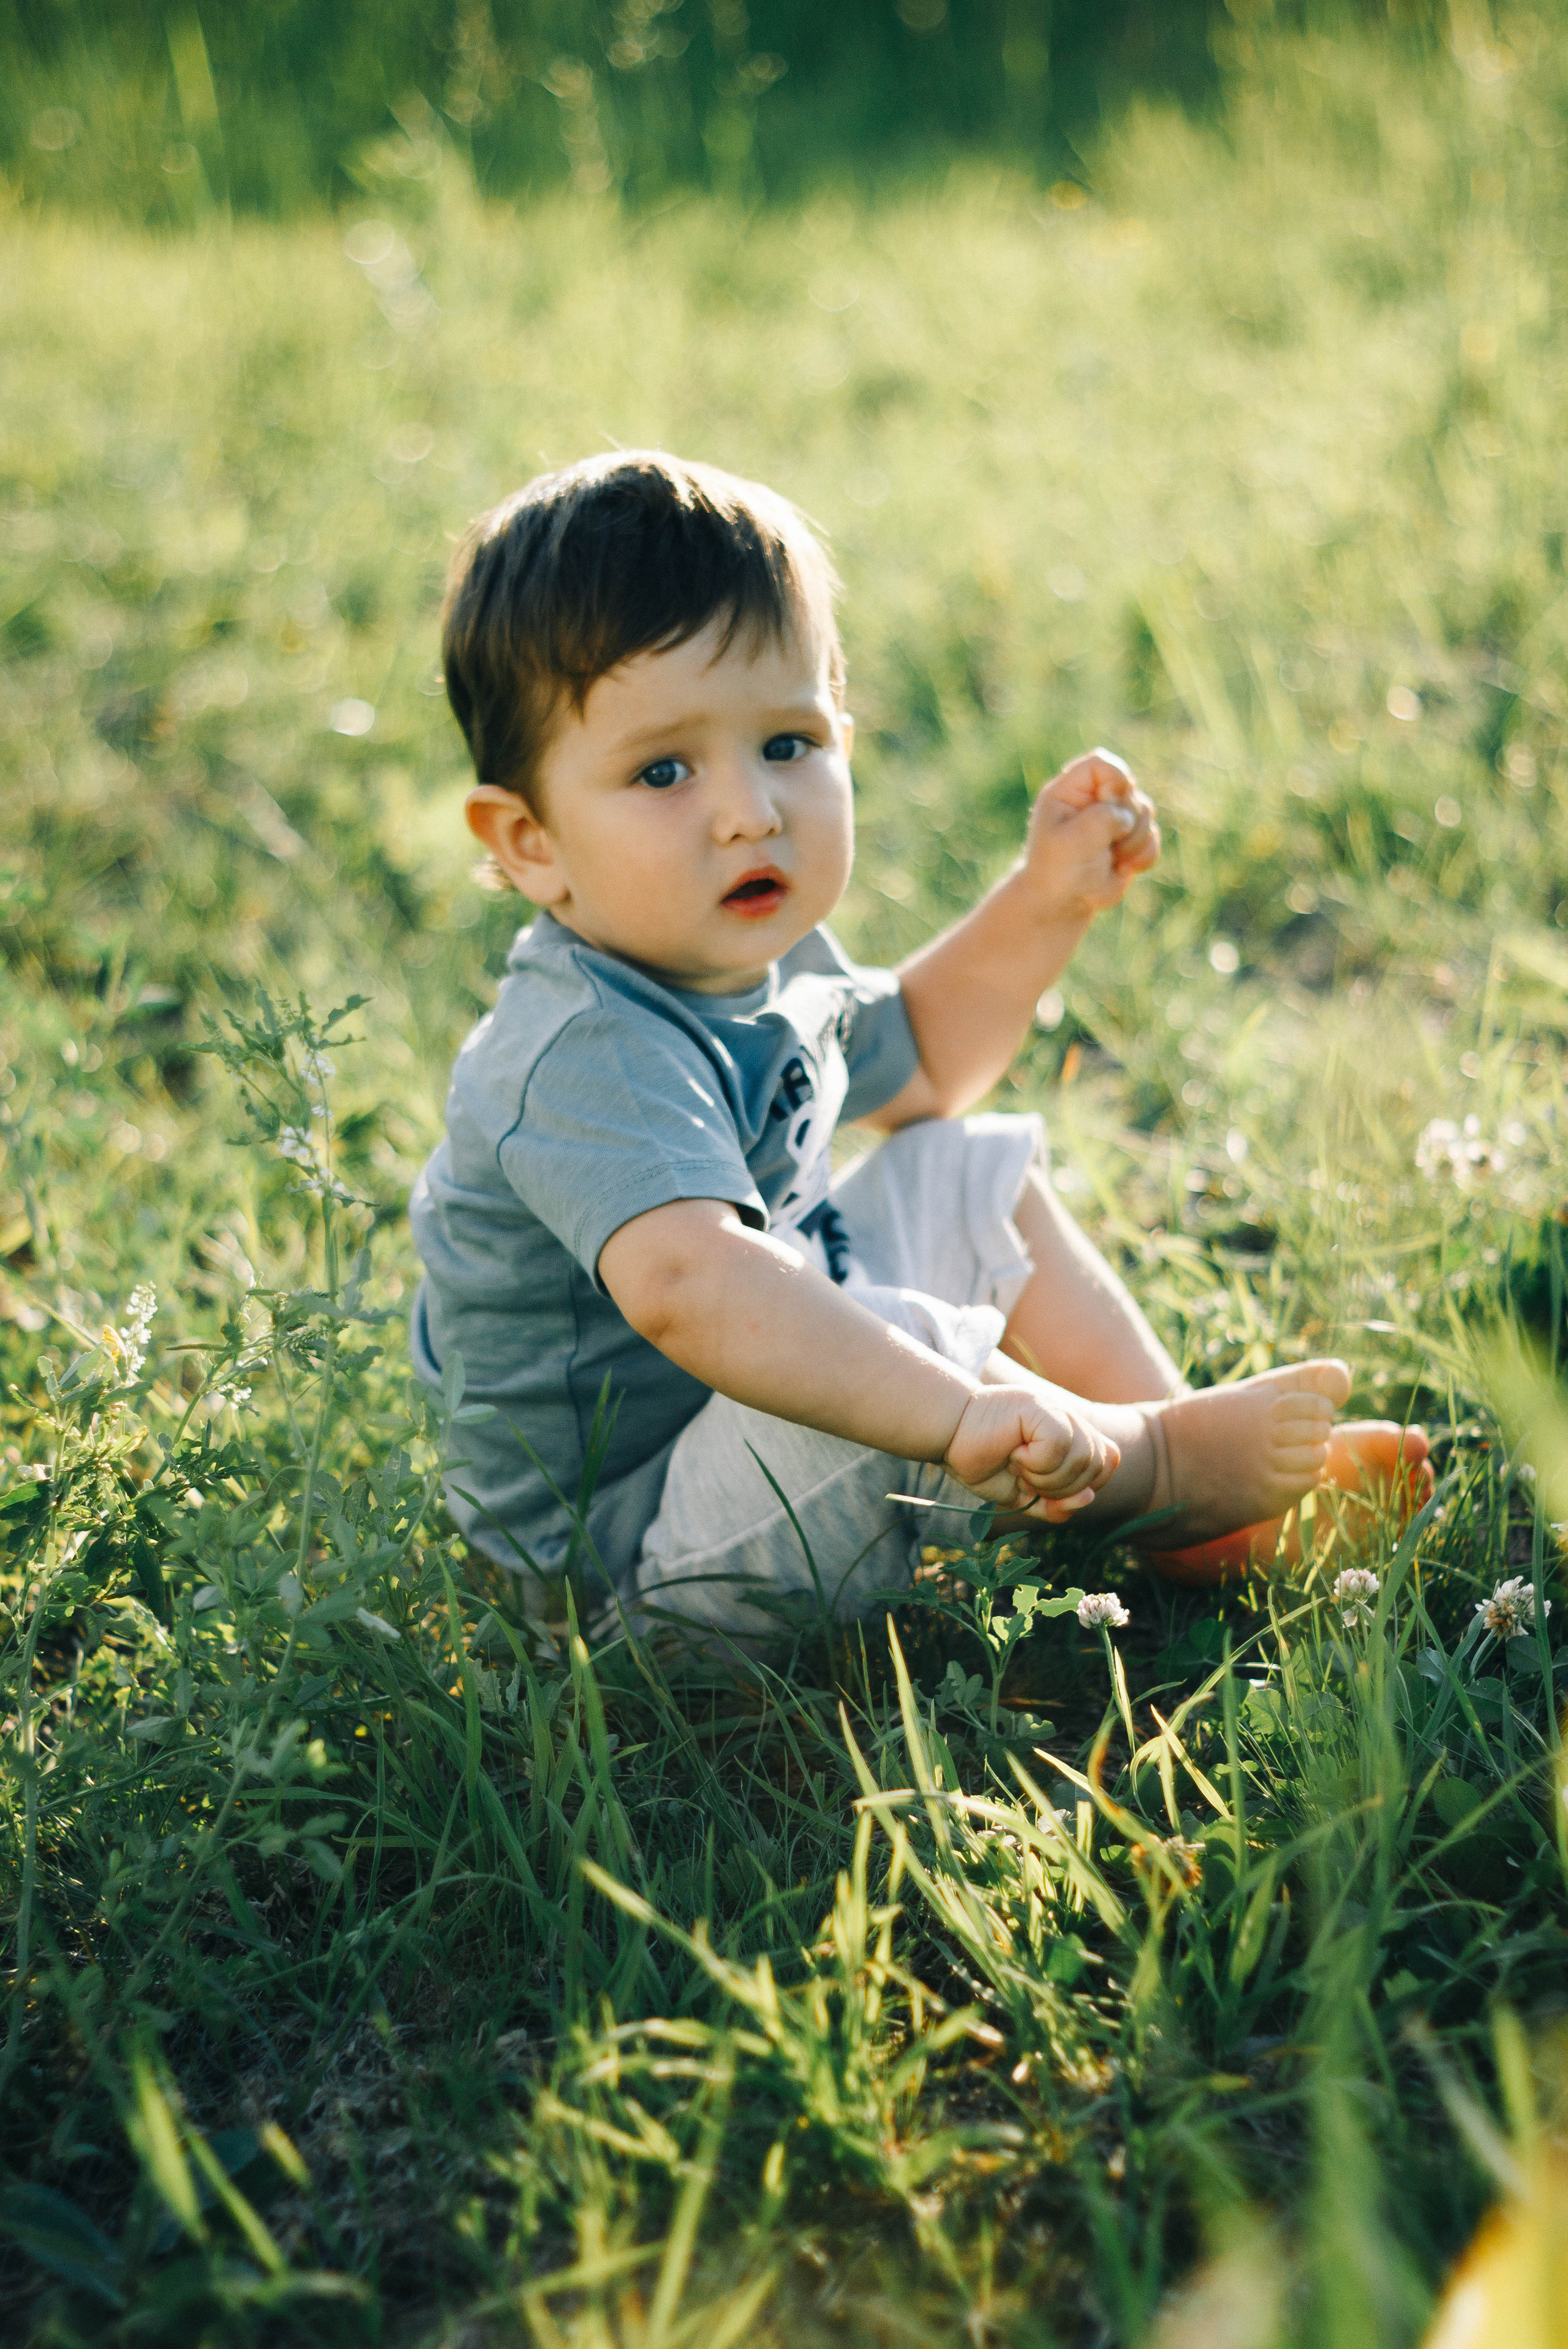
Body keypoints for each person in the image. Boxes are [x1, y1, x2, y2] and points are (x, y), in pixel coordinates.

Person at [409, 451, 1427, 1638]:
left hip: (737, 1430)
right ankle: (1151, 1472)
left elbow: (927, 1061)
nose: (751, 809)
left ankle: (1187, 1482)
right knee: (885, 1345)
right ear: (531, 841)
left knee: (962, 1170)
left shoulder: (755, 955)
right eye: (665, 770)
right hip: (631, 1568)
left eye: (788, 743)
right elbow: (698, 1291)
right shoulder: (584, 1052)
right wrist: (948, 1414)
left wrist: (1046, 901)